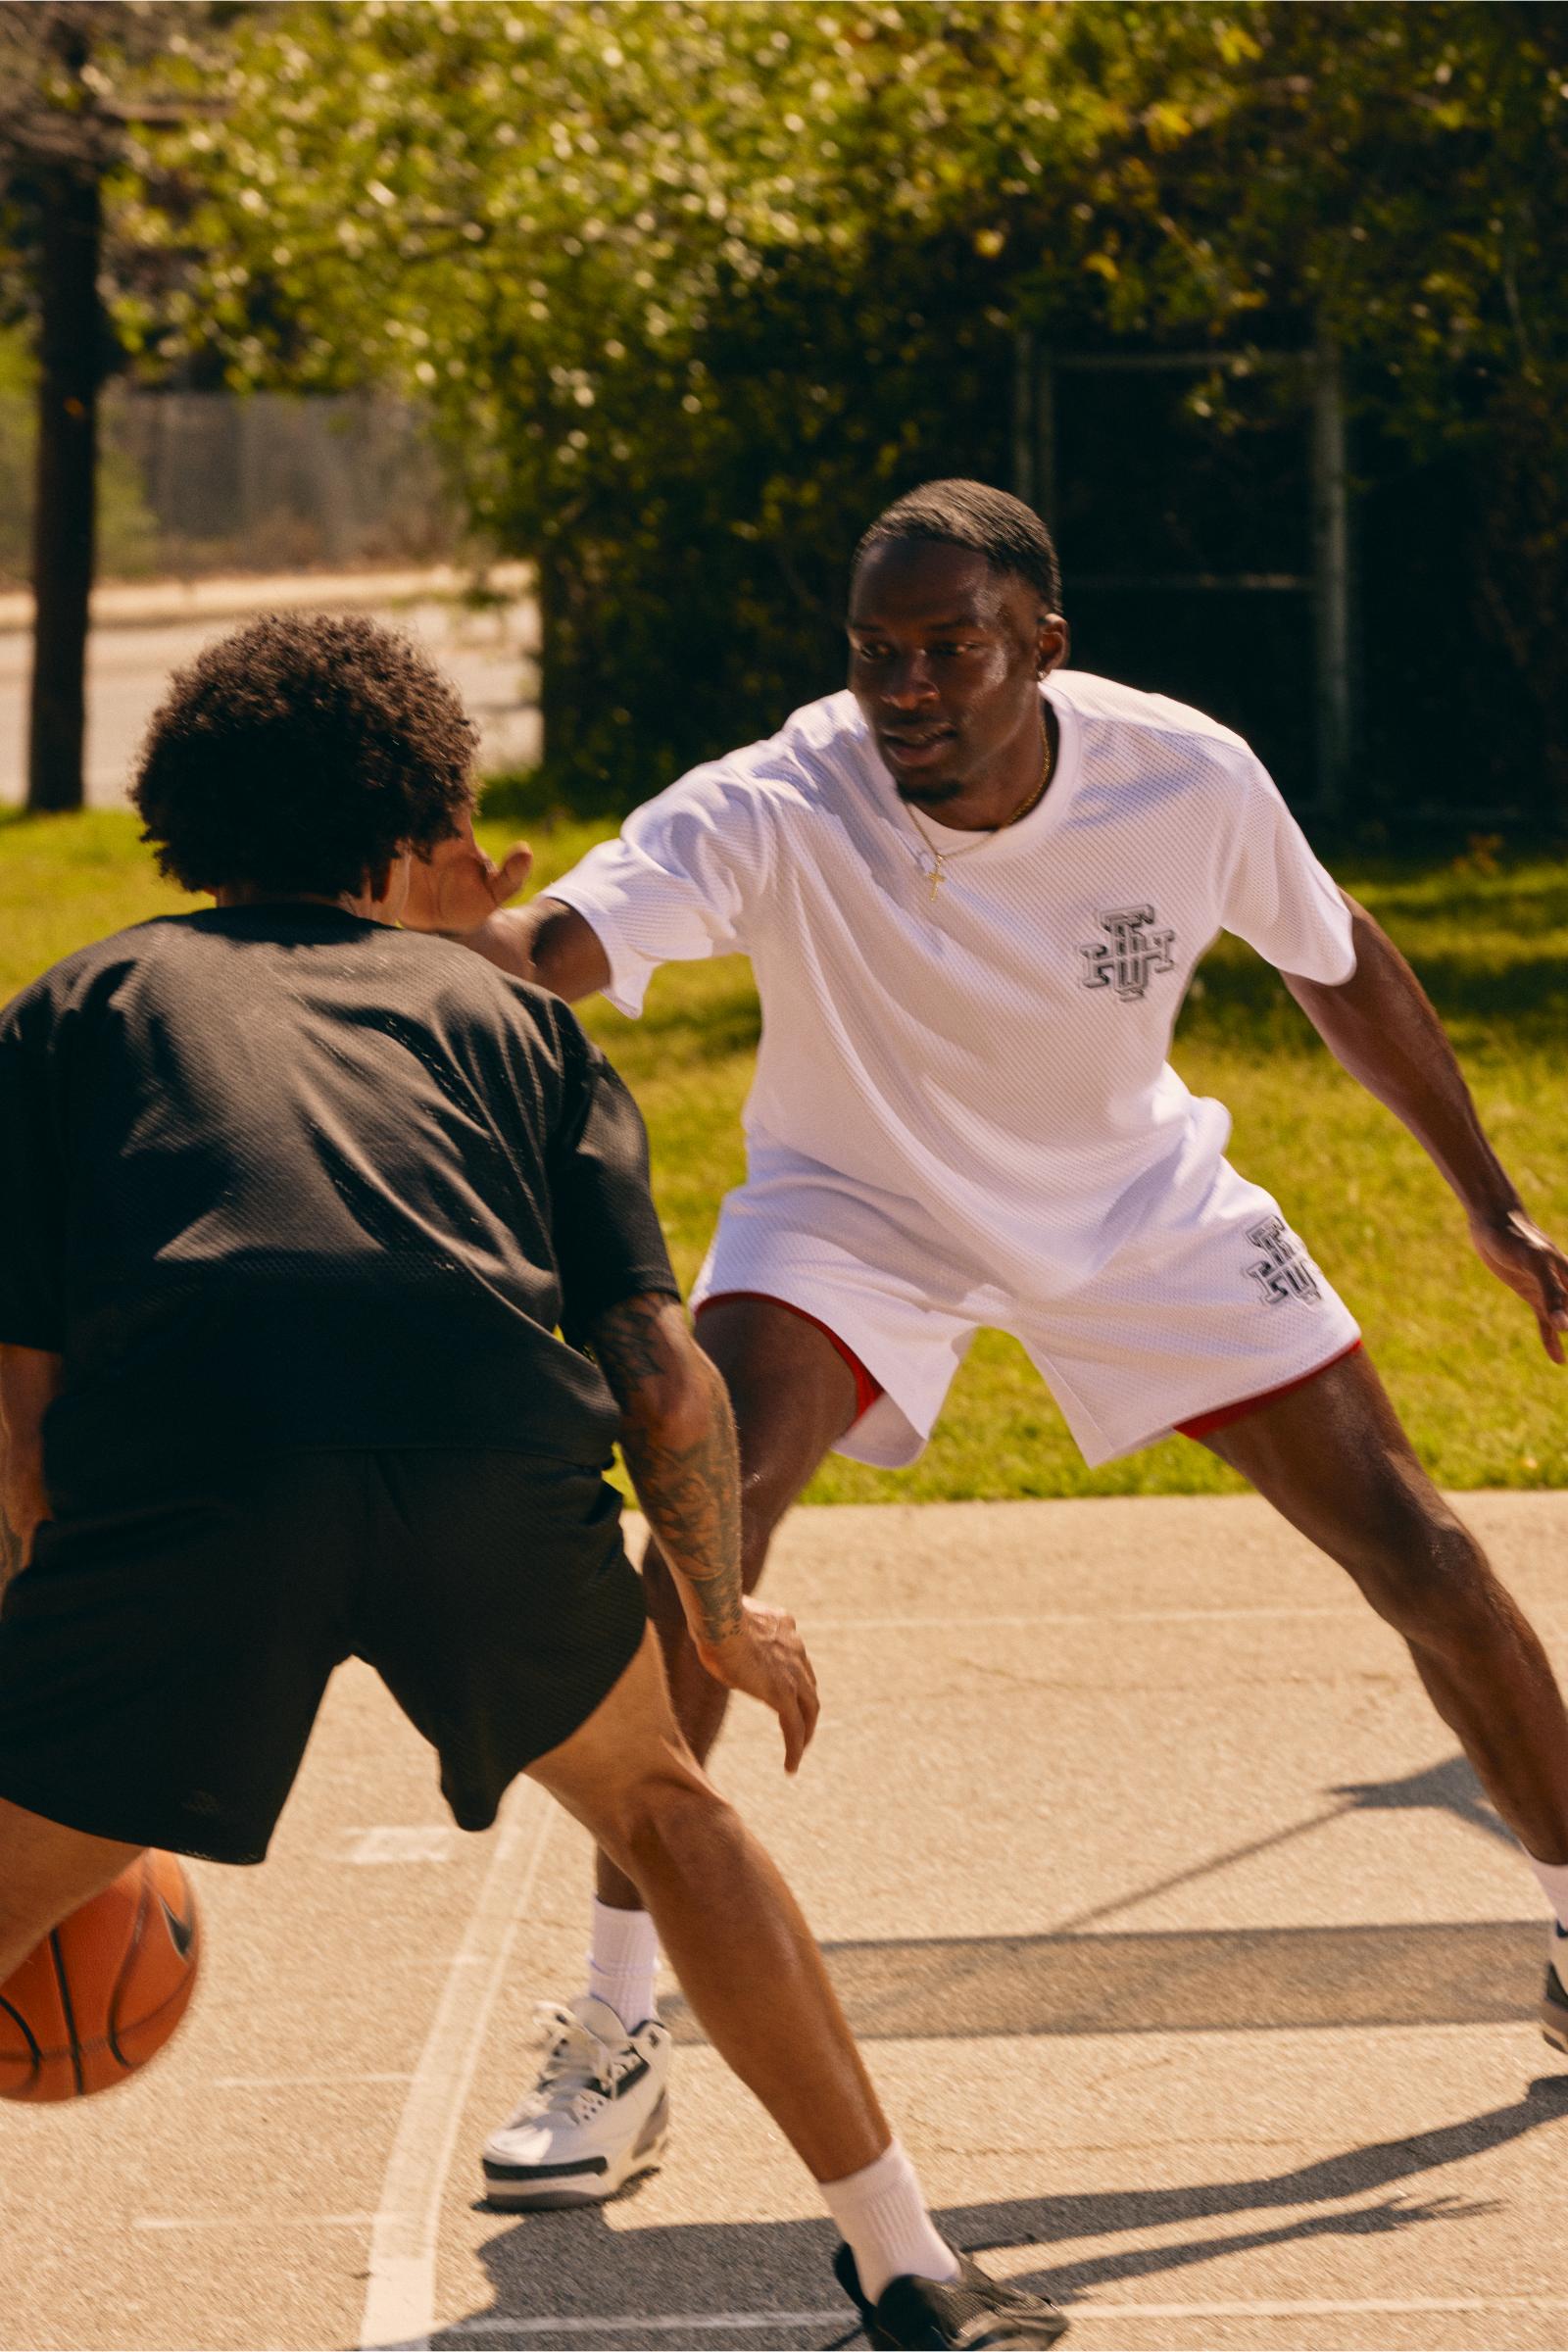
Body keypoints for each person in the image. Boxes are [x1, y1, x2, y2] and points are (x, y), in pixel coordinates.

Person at [406, 476, 1568, 2203]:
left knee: (1422, 1549)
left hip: (1135, 1205)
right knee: (700, 1534)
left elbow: (1344, 966)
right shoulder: (787, 792)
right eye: (879, 651)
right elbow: (555, 944)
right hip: (854, 1214)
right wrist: (453, 950)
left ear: (1046, 647)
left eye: (953, 648)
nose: (907, 688)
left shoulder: (1181, 774)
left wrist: (1485, 1200)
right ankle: (617, 2033)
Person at [0, 611, 1068, 2352]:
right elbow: (663, 1370)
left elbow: (22, 1411)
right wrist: (718, 1613)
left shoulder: (77, 1007)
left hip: (204, 1456)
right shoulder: (512, 1024)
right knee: (666, 1809)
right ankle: (908, 2266)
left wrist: (48, 1643)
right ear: (414, 833)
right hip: (475, 1431)